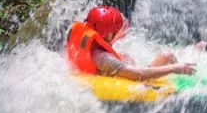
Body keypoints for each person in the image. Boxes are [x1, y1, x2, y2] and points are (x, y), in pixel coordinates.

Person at [66, 5, 195, 80]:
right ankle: (186, 75)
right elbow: (139, 75)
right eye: (114, 32)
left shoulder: (88, 41)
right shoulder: (105, 59)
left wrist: (117, 35)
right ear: (108, 35)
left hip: (113, 71)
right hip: (137, 80)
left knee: (125, 55)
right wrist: (174, 68)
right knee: (168, 56)